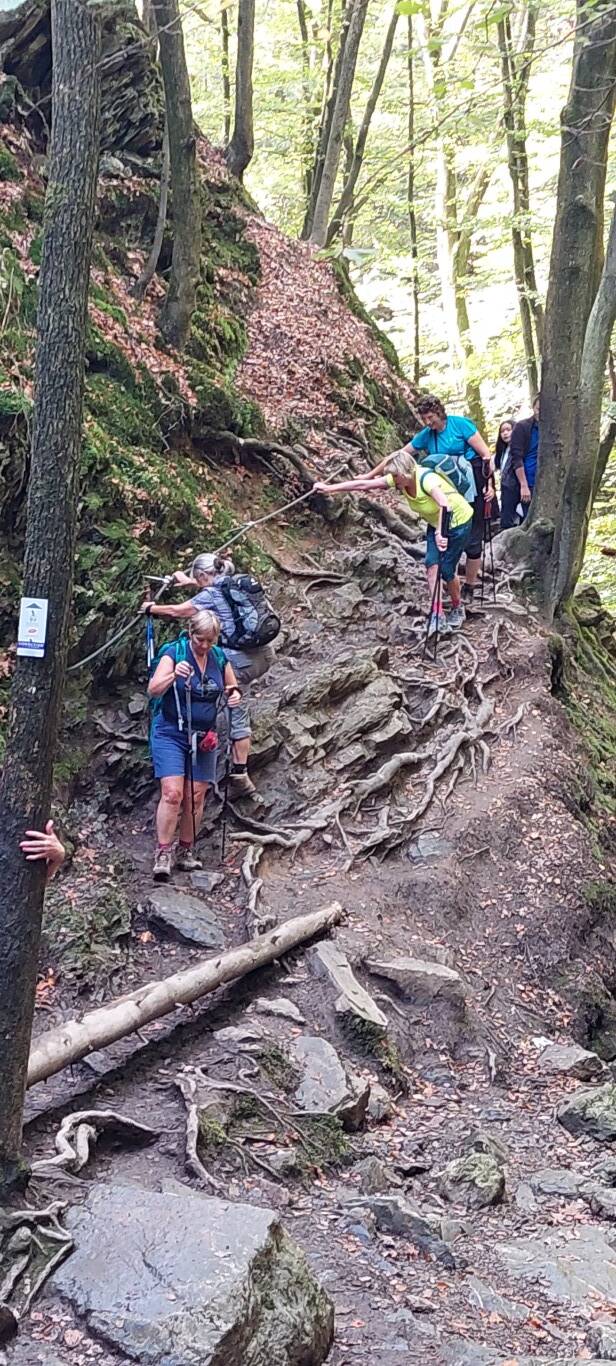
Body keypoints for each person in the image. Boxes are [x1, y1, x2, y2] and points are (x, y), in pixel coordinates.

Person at [142, 553, 276, 799]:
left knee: (234, 703)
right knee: (232, 694)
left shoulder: (210, 595)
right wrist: (188, 581)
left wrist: (151, 608)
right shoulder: (235, 584)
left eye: (198, 578)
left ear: (203, 575)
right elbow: (209, 588)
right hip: (263, 655)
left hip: (240, 660)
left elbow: (179, 611)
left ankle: (239, 771)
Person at [314, 449, 473, 637]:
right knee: (431, 566)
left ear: (406, 472)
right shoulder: (399, 479)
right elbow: (364, 485)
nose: (393, 481)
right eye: (392, 476)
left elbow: (445, 504)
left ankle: (457, 607)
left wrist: (441, 532)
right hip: (436, 522)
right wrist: (329, 488)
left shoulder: (427, 479)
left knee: (446, 570)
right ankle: (437, 614)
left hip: (458, 522)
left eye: (396, 476)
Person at [368, 394, 493, 606]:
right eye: (424, 418)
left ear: (439, 412)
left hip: (471, 485)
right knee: (444, 536)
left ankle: (470, 585)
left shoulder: (460, 425)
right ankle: (450, 580)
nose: (428, 422)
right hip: (440, 490)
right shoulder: (427, 435)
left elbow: (485, 455)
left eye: (430, 417)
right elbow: (399, 455)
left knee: (473, 538)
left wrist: (489, 485)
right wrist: (370, 475)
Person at [148, 609, 241, 881]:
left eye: (210, 641)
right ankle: (163, 852)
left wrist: (234, 695)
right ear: (191, 633)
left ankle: (186, 850)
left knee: (196, 795)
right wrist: (173, 675)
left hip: (204, 737)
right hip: (171, 731)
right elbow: (153, 689)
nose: (204, 645)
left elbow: (232, 687)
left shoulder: (218, 657)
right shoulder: (174, 652)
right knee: (172, 793)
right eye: (200, 640)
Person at [501, 396, 539, 531]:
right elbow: (517, 458)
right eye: (538, 409)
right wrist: (523, 485)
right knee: (525, 519)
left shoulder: (553, 428)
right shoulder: (523, 427)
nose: (540, 413)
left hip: (544, 480)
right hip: (526, 481)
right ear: (533, 408)